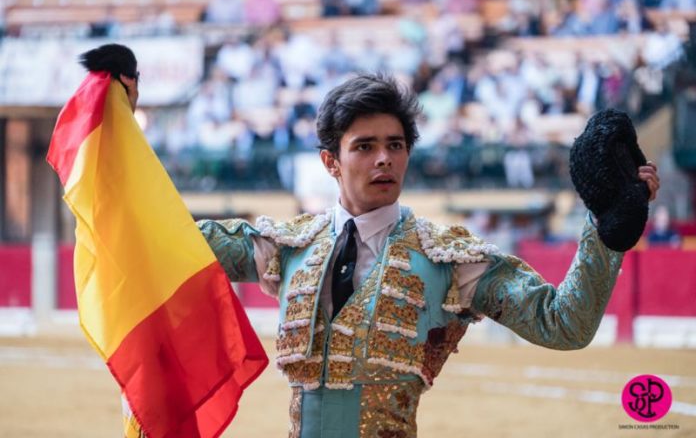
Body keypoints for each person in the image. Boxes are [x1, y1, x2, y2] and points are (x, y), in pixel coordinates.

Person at [118, 73, 660, 437]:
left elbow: (562, 323)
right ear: (331, 162)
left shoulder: (450, 259)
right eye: (365, 146)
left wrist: (605, 231)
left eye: (395, 145)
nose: (384, 159)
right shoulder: (286, 247)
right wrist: (118, 140)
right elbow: (169, 238)